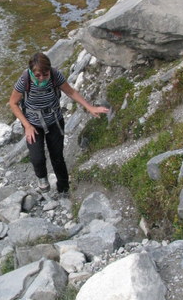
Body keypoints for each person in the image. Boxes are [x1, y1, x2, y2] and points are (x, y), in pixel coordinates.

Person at [9, 52, 109, 195]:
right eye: (38, 75)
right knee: (37, 158)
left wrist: (90, 107)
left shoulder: (55, 75)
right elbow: (13, 103)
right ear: (32, 72)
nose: (42, 78)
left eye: (45, 74)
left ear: (49, 70)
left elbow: (71, 92)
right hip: (32, 124)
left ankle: (63, 187)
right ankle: (42, 178)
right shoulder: (25, 80)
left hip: (54, 121)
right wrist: (27, 126)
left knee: (57, 157)